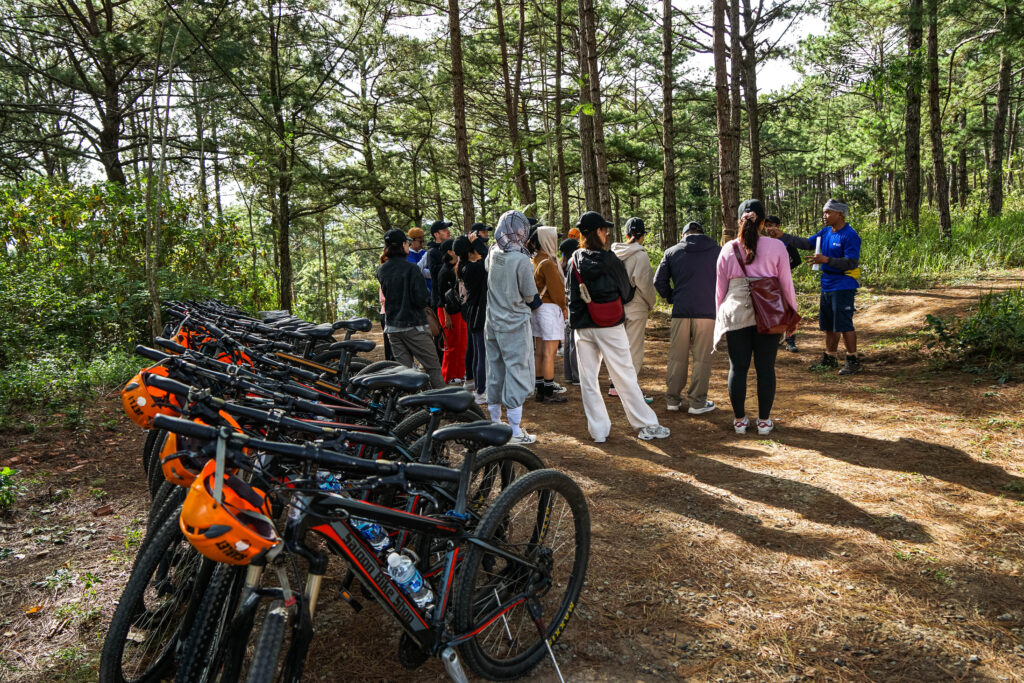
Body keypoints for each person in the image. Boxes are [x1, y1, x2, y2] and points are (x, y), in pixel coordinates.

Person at [566, 211, 670, 443]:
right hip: (610, 325)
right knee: (624, 375)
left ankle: (599, 431)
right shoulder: (610, 260)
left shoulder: (574, 260)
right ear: (598, 232)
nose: (607, 233)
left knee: (589, 381)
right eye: (604, 230)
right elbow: (626, 291)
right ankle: (646, 424)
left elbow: (571, 294)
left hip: (583, 327)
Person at [713, 199, 798, 436]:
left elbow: (720, 290)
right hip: (769, 311)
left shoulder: (728, 249)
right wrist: (792, 316)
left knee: (737, 368)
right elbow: (786, 285)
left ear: (739, 220)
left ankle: (739, 421)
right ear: (763, 222)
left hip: (735, 310)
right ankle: (763, 422)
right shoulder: (777, 247)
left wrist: (719, 320)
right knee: (766, 369)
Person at [766, 199, 861, 374]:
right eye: (824, 212)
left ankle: (852, 359)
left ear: (840, 214)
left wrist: (826, 260)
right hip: (827, 284)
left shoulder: (849, 235)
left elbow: (852, 262)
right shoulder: (825, 232)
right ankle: (830, 357)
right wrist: (782, 235)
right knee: (829, 325)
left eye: (828, 212)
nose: (824, 216)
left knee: (844, 324)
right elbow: (806, 244)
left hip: (843, 284)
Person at [485, 210, 543, 445]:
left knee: (495, 370)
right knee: (517, 372)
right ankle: (516, 431)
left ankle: (495, 424)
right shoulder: (521, 260)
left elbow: (490, 271)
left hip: (492, 322)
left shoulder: (493, 252)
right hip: (514, 324)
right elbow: (530, 294)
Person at [654, 220, 720, 414]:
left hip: (681, 311)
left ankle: (672, 400)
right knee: (702, 359)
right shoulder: (717, 251)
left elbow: (658, 281)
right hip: (708, 312)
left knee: (677, 357)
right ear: (701, 233)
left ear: (684, 235)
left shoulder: (672, 252)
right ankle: (697, 403)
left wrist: (671, 296)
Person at [376, 228, 444, 388]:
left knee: (405, 374)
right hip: (415, 326)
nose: (409, 245)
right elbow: (421, 299)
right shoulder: (412, 269)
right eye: (407, 243)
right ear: (402, 245)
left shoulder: (382, 270)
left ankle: (411, 408)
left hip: (392, 327)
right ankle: (443, 409)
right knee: (433, 367)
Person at [610, 217, 657, 403]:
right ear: (642, 235)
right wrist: (652, 303)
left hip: (616, 307)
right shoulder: (640, 256)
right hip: (636, 308)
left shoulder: (614, 253)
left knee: (618, 348)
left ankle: (615, 385)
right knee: (634, 349)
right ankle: (630, 391)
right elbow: (645, 285)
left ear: (626, 234)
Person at [530, 225, 569, 404]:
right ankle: (548, 391)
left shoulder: (535, 260)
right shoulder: (548, 263)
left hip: (537, 309)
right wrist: (564, 306)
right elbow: (558, 292)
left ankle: (540, 390)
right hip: (550, 309)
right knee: (549, 353)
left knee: (539, 351)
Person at [455, 234, 487, 404]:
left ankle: (476, 385)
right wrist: (479, 243)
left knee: (477, 353)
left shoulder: (465, 267)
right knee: (481, 354)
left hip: (473, 314)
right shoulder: (474, 268)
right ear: (470, 251)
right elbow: (490, 259)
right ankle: (481, 390)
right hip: (479, 315)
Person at [764, 215, 801, 352]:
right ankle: (774, 338)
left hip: (783, 280)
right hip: (768, 282)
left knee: (788, 308)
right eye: (767, 225)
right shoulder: (763, 242)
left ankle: (790, 340)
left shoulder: (786, 241)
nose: (769, 228)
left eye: (772, 225)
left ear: (778, 226)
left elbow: (797, 260)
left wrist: (783, 271)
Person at [436, 238, 467, 384]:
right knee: (451, 345)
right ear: (450, 252)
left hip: (458, 309)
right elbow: (441, 296)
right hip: (447, 311)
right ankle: (447, 376)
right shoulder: (444, 272)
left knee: (462, 343)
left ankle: (460, 374)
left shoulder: (458, 267)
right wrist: (446, 317)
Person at [559, 238, 581, 386]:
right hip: (571, 305)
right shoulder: (572, 265)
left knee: (568, 340)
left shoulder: (562, 265)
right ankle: (576, 375)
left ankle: (569, 374)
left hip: (566, 305)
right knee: (573, 340)